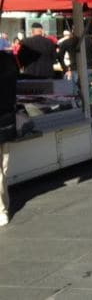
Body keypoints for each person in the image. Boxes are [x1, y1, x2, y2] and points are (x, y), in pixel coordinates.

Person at [0, 51, 18, 226]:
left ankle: (2, 210)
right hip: (6, 120)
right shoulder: (8, 59)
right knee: (3, 168)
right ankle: (3, 208)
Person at [57, 29, 92, 97]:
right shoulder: (89, 41)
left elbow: (60, 56)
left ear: (72, 33)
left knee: (76, 88)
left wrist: (65, 69)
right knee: (85, 87)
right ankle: (85, 103)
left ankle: (79, 102)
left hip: (75, 68)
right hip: (88, 67)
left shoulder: (67, 42)